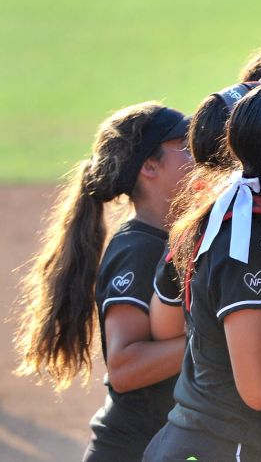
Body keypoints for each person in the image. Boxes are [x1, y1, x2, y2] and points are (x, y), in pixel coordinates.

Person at [144, 81, 261, 462]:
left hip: (208, 439)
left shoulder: (245, 210)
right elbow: (260, 390)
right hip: (224, 446)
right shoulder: (249, 240)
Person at [14, 103, 192, 461]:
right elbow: (125, 367)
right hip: (129, 450)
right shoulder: (138, 250)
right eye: (184, 145)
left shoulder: (165, 238)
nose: (196, 153)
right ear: (149, 166)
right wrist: (209, 343)